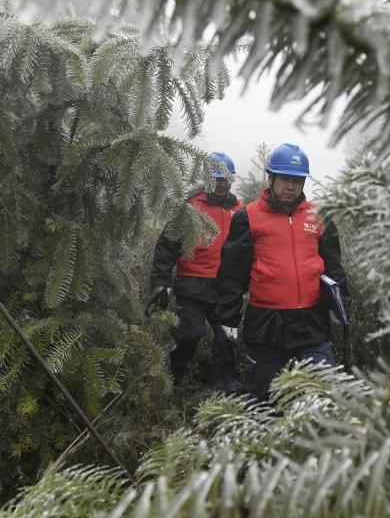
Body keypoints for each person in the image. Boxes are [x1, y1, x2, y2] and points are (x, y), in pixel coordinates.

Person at [216, 143, 351, 401]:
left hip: (312, 323)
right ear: (271, 178)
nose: (291, 186)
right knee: (263, 401)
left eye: (298, 180)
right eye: (285, 179)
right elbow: (231, 275)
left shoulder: (320, 217)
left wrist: (341, 304)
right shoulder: (249, 217)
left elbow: (334, 267)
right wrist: (228, 318)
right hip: (267, 324)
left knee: (322, 394)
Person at [149, 151, 244, 391]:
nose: (222, 183)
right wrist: (161, 282)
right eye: (216, 178)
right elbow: (167, 244)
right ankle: (171, 380)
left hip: (226, 287)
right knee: (190, 334)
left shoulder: (240, 209)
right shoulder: (190, 205)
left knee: (227, 337)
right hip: (192, 283)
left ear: (231, 179)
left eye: (226, 178)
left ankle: (225, 388)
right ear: (206, 178)